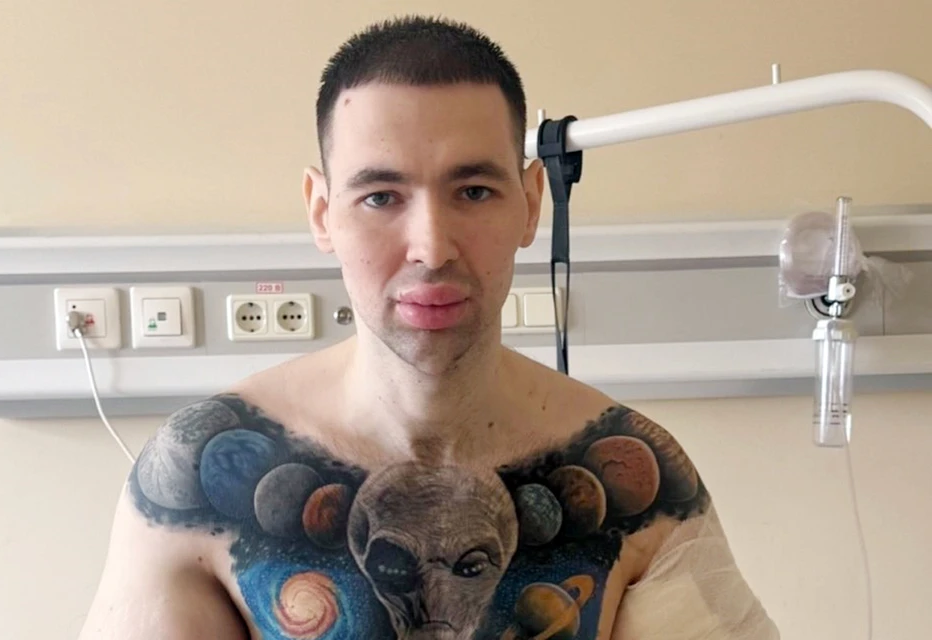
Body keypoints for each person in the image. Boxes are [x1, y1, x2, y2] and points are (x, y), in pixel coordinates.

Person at [79, 15, 780, 640]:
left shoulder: (638, 479)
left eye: (473, 191)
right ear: (322, 212)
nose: (432, 247)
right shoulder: (197, 483)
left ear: (530, 203)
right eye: (381, 196)